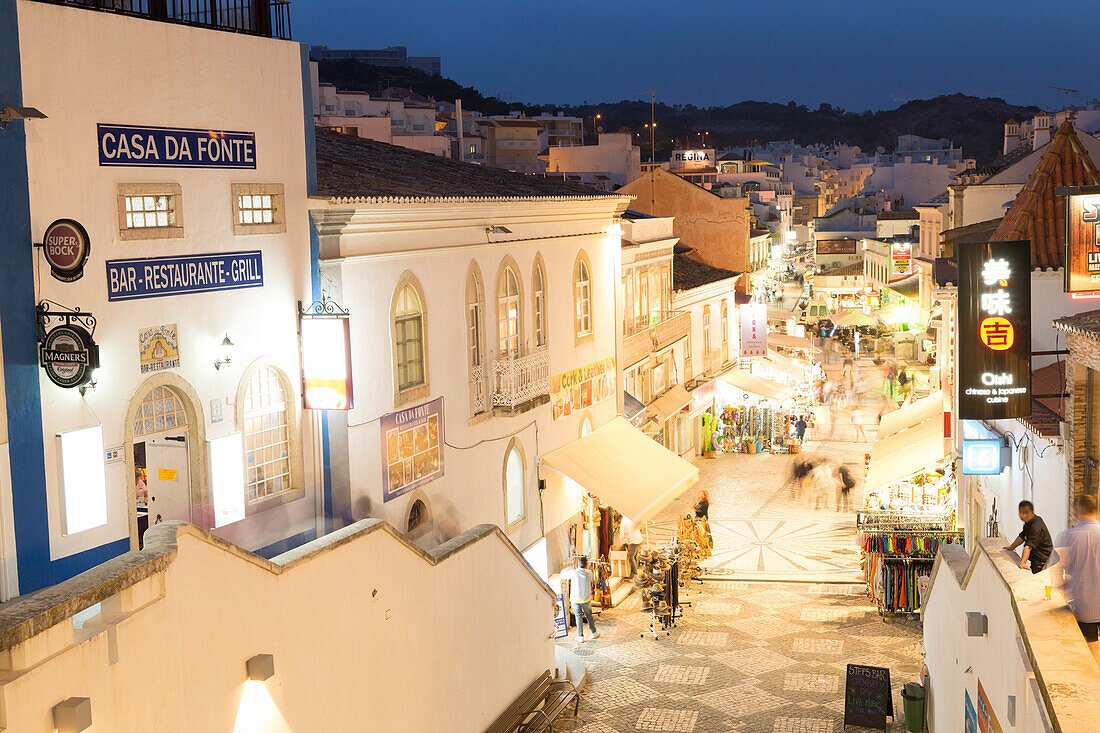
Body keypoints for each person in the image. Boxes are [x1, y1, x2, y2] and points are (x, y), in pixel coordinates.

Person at [1053, 494, 1100, 667]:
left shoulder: (1067, 536)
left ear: (1077, 512)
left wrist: (1063, 590)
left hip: (1083, 605)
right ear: (1096, 512)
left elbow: (1056, 571)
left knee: (1091, 646)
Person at [1004, 500, 1054, 573]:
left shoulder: (1036, 527)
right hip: (1037, 560)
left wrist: (1022, 563)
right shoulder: (1030, 522)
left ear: (1032, 512)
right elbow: (1022, 536)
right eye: (1021, 512)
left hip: (1042, 562)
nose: (1023, 515)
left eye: (1026, 513)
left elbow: (1028, 547)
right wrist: (1012, 547)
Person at [563, 556, 599, 642]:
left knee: (578, 617)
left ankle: (580, 636)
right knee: (589, 616)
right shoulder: (589, 572)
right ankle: (594, 633)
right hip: (586, 598)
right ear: (586, 565)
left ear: (578, 564)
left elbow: (564, 575)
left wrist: (569, 565)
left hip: (575, 599)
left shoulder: (573, 572)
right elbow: (591, 582)